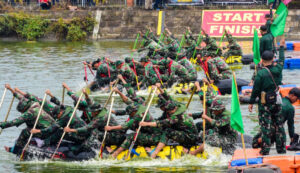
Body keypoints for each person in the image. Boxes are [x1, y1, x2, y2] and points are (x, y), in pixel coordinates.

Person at [248, 38, 286, 155]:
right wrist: (281, 48)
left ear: (262, 60)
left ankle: (265, 150)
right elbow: (282, 60)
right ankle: (281, 149)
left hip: (265, 103)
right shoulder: (278, 69)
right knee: (279, 125)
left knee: (266, 126)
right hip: (277, 101)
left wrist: (251, 102)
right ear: (272, 59)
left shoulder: (261, 73)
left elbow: (256, 90)